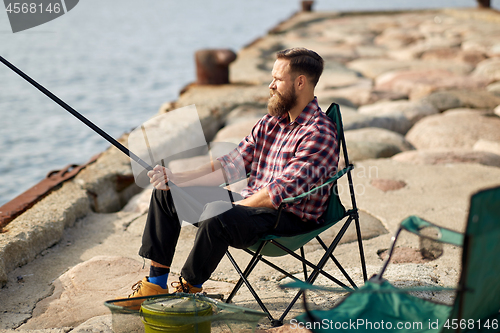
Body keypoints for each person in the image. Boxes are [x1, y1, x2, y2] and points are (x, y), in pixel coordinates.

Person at [126, 47, 339, 305]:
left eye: (278, 80)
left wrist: (232, 205)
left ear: (300, 82)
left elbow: (277, 194)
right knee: (167, 193)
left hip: (289, 219)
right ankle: (155, 287)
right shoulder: (270, 123)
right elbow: (230, 165)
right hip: (251, 208)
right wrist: (178, 178)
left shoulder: (319, 132)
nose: (271, 86)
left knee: (218, 213)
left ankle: (188, 291)